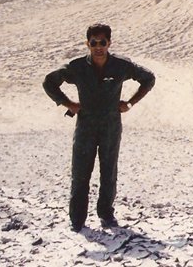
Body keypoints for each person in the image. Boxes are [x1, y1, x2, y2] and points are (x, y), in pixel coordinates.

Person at [43, 23, 156, 232]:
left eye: (102, 42)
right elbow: (49, 82)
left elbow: (148, 79)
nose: (98, 47)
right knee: (80, 172)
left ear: (109, 43)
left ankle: (106, 214)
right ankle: (77, 220)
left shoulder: (121, 66)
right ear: (87, 43)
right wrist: (68, 104)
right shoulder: (76, 67)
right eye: (93, 42)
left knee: (108, 172)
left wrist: (129, 103)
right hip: (85, 125)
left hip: (111, 125)